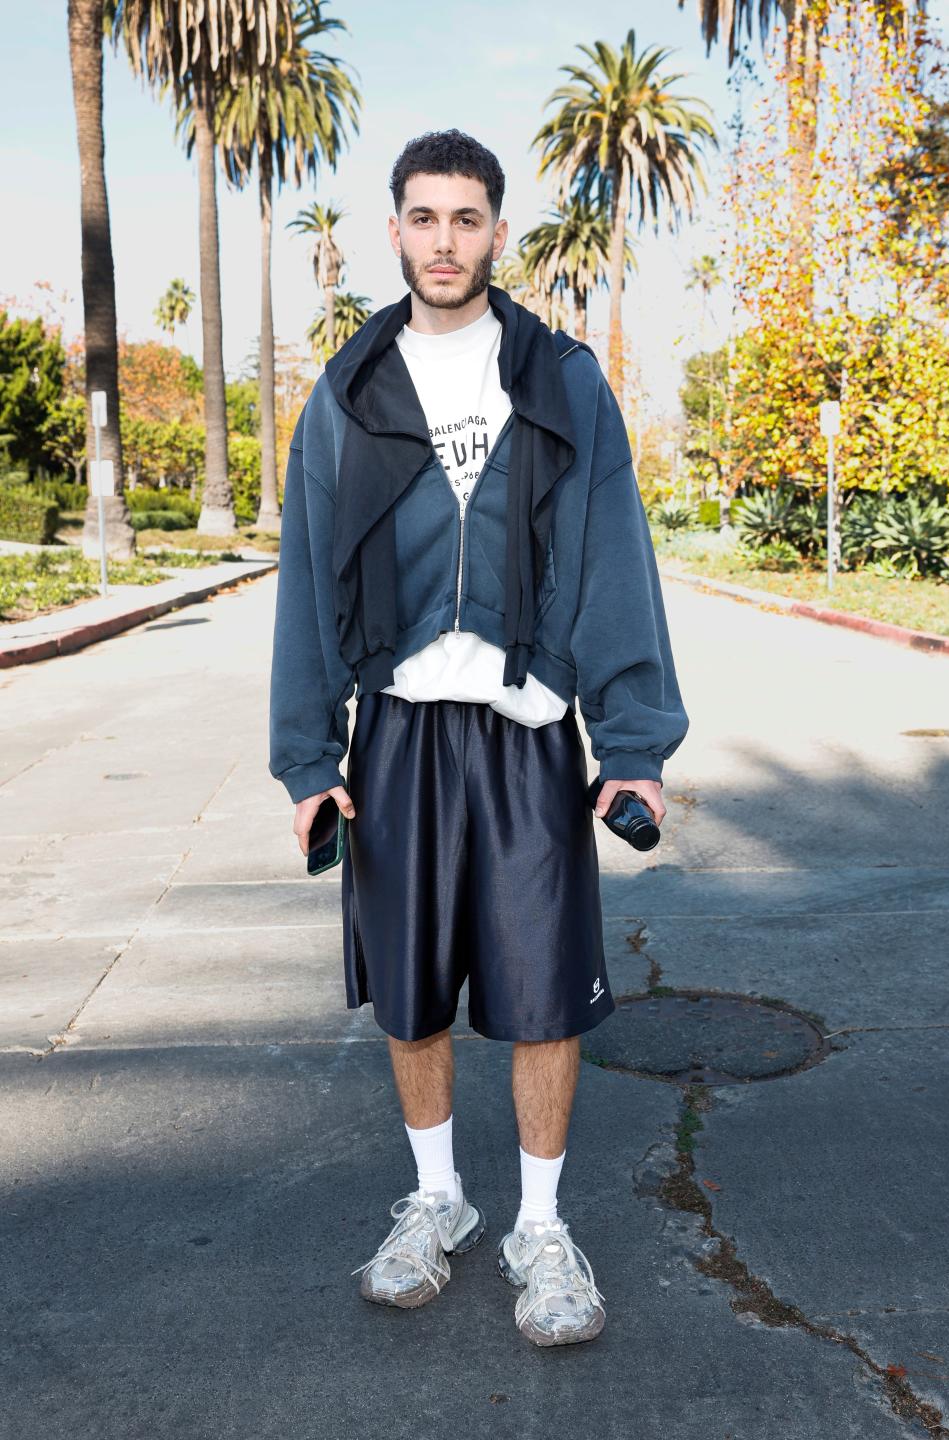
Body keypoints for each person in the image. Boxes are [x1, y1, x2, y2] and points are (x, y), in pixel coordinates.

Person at [268, 129, 689, 1348]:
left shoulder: (560, 379)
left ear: (498, 230)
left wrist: (636, 741)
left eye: (466, 217)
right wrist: (310, 758)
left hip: (526, 733)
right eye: (423, 216)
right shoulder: (348, 393)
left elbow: (618, 559)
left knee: (544, 997)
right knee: (412, 999)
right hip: (397, 734)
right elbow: (305, 577)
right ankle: (439, 1202)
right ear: (393, 231)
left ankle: (540, 1228)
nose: (444, 239)